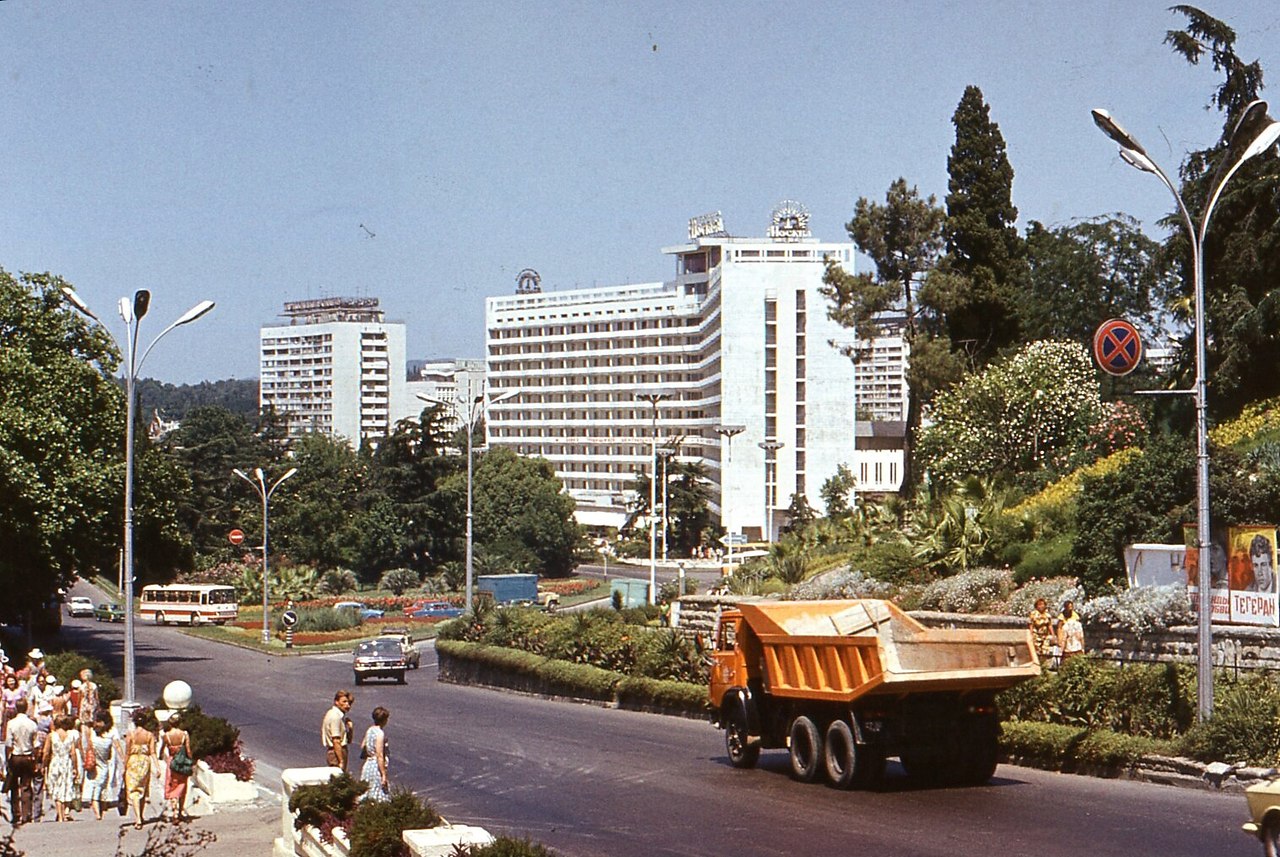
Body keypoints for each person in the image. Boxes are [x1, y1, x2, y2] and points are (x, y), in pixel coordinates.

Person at [42, 713, 82, 822]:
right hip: (67, 762)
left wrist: (44, 765)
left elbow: (46, 752)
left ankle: (60, 815)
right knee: (66, 787)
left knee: (57, 788)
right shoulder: (70, 735)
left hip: (56, 762)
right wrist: (76, 767)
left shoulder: (51, 735)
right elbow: (73, 753)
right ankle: (65, 813)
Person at [4, 699, 39, 825]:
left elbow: (8, 743)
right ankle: (26, 814)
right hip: (28, 756)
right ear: (26, 708)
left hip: (16, 756)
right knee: (26, 785)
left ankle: (16, 813)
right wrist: (35, 758)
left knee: (14, 786)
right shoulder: (32, 724)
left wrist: (7, 758)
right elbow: (36, 744)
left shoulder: (11, 723)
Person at [81, 712, 120, 820]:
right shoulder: (107, 742)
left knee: (95, 788)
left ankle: (97, 813)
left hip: (94, 766)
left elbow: (88, 748)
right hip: (104, 766)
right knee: (102, 788)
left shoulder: (93, 739)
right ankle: (101, 811)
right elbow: (109, 756)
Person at [124, 708, 157, 829]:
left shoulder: (131, 735)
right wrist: (157, 767)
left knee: (134, 790)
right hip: (144, 762)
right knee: (142, 788)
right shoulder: (149, 735)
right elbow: (153, 752)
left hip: (133, 762)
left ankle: (138, 818)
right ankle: (141, 815)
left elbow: (127, 752)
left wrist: (125, 765)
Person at [160, 712, 193, 821]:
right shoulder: (184, 734)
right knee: (182, 785)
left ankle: (174, 811)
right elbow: (188, 750)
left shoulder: (166, 736)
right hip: (182, 762)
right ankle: (180, 810)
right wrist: (190, 760)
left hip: (172, 762)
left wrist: (160, 756)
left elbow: (162, 749)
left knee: (172, 785)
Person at [358, 707, 390, 802]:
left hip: (368, 764)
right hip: (375, 766)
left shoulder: (370, 730)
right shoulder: (380, 733)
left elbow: (363, 746)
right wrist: (383, 774)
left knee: (367, 792)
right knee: (378, 793)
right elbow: (379, 755)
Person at [321, 690, 354, 772]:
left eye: (349, 703)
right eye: (344, 702)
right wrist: (341, 761)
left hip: (340, 751)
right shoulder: (335, 717)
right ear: (336, 702)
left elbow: (348, 740)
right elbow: (336, 740)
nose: (347, 705)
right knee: (338, 778)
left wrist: (350, 729)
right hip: (336, 753)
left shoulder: (338, 716)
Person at [1028, 598, 1055, 667]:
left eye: (1043, 604)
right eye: (1039, 605)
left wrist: (1053, 635)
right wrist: (1030, 636)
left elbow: (1049, 625)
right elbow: (1031, 625)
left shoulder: (1047, 615)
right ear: (1036, 606)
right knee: (1037, 651)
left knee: (1045, 650)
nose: (1041, 606)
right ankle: (1037, 665)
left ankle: (1044, 666)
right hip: (1036, 636)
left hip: (1045, 636)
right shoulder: (1033, 614)